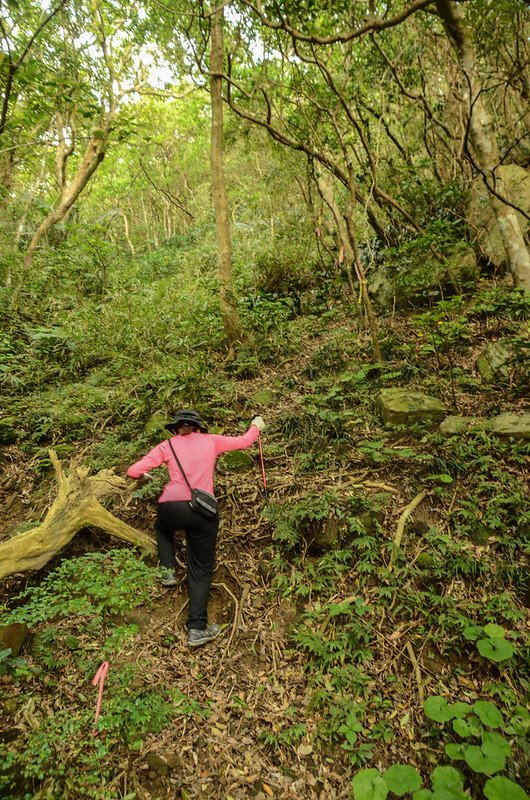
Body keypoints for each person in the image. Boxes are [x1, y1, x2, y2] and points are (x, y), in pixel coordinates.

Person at [127, 409, 266, 647]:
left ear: (176, 429)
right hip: (202, 511)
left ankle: (167, 570)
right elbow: (244, 441)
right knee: (201, 570)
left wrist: (145, 479)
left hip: (171, 507)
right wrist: (256, 425)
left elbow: (133, 471)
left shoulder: (167, 445)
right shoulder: (211, 441)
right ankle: (196, 629)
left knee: (162, 528)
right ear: (198, 427)